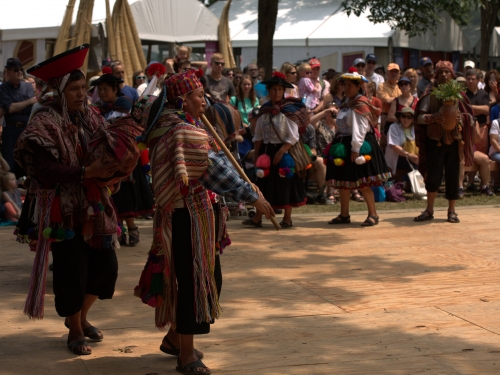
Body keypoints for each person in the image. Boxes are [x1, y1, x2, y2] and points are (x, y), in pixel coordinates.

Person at [132, 69, 274, 375]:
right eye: (199, 96)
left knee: (205, 279)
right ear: (183, 100)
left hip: (193, 215)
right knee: (195, 282)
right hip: (187, 217)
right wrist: (251, 195)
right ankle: (186, 356)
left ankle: (175, 339)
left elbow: (218, 162)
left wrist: (249, 189)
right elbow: (212, 169)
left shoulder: (181, 126)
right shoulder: (180, 131)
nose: (205, 102)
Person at [14, 45, 141, 356]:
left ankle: (81, 319)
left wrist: (117, 164)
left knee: (106, 267)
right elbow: (44, 169)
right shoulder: (44, 120)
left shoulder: (92, 116)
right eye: (74, 88)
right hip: (63, 208)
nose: (82, 93)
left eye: (84, 87)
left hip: (96, 203)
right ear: (59, 90)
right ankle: (74, 330)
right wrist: (87, 172)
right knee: (73, 271)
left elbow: (107, 148)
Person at [242, 72, 308, 228]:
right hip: (266, 152)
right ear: (269, 90)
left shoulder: (289, 110)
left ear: (283, 91)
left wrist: (281, 151)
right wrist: (257, 155)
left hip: (285, 151)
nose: (276, 92)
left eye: (279, 89)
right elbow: (257, 135)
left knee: (286, 182)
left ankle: (287, 218)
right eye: (273, 89)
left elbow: (293, 136)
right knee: (263, 184)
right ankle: (258, 217)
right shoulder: (264, 110)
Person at [325, 72, 390, 226]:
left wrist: (356, 149)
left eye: (349, 85)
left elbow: (360, 129)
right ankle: (344, 214)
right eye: (344, 85)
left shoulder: (360, 104)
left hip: (358, 144)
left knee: (363, 181)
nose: (346, 88)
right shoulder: (347, 103)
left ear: (358, 87)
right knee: (344, 182)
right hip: (344, 143)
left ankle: (373, 214)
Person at [414, 61, 474, 224]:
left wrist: (460, 119)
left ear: (452, 75)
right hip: (435, 141)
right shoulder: (430, 93)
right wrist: (433, 118)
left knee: (453, 176)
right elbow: (419, 117)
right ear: (436, 76)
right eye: (440, 72)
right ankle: (429, 209)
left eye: (447, 72)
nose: (444, 75)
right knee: (433, 176)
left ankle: (452, 211)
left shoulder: (458, 95)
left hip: (454, 141)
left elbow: (470, 118)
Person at [458, 68, 493, 196]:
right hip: (465, 130)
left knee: (482, 157)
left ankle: (481, 185)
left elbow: (486, 109)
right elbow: (462, 112)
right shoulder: (462, 94)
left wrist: (469, 107)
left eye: (473, 79)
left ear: (478, 80)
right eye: (469, 79)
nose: (471, 81)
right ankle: (464, 185)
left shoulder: (483, 94)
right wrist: (475, 110)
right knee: (464, 157)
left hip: (482, 128)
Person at [0, 57, 36, 177]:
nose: (20, 72)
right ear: (8, 72)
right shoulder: (3, 88)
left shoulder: (28, 87)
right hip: (10, 131)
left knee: (25, 164)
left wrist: (14, 105)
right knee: (10, 166)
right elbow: (9, 108)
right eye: (16, 70)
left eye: (21, 69)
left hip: (25, 129)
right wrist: (28, 101)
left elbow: (13, 108)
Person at [230, 75, 259, 162]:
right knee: (243, 155)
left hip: (253, 131)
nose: (246, 87)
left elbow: (257, 115)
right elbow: (231, 116)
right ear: (240, 85)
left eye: (249, 84)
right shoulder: (234, 99)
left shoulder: (255, 100)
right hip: (241, 132)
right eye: (244, 84)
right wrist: (242, 124)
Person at [385, 107, 418, 182]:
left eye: (409, 117)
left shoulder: (415, 128)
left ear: (413, 119)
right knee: (415, 163)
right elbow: (394, 146)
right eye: (404, 116)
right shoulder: (393, 127)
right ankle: (417, 186)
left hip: (412, 156)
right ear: (400, 117)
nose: (406, 120)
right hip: (398, 156)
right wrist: (409, 155)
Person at [377, 63, 402, 136]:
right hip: (386, 117)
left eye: (396, 71)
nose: (393, 73)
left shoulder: (402, 85)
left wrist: (394, 99)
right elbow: (387, 101)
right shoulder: (382, 86)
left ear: (399, 74)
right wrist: (401, 98)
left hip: (400, 118)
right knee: (385, 142)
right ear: (387, 73)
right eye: (391, 71)